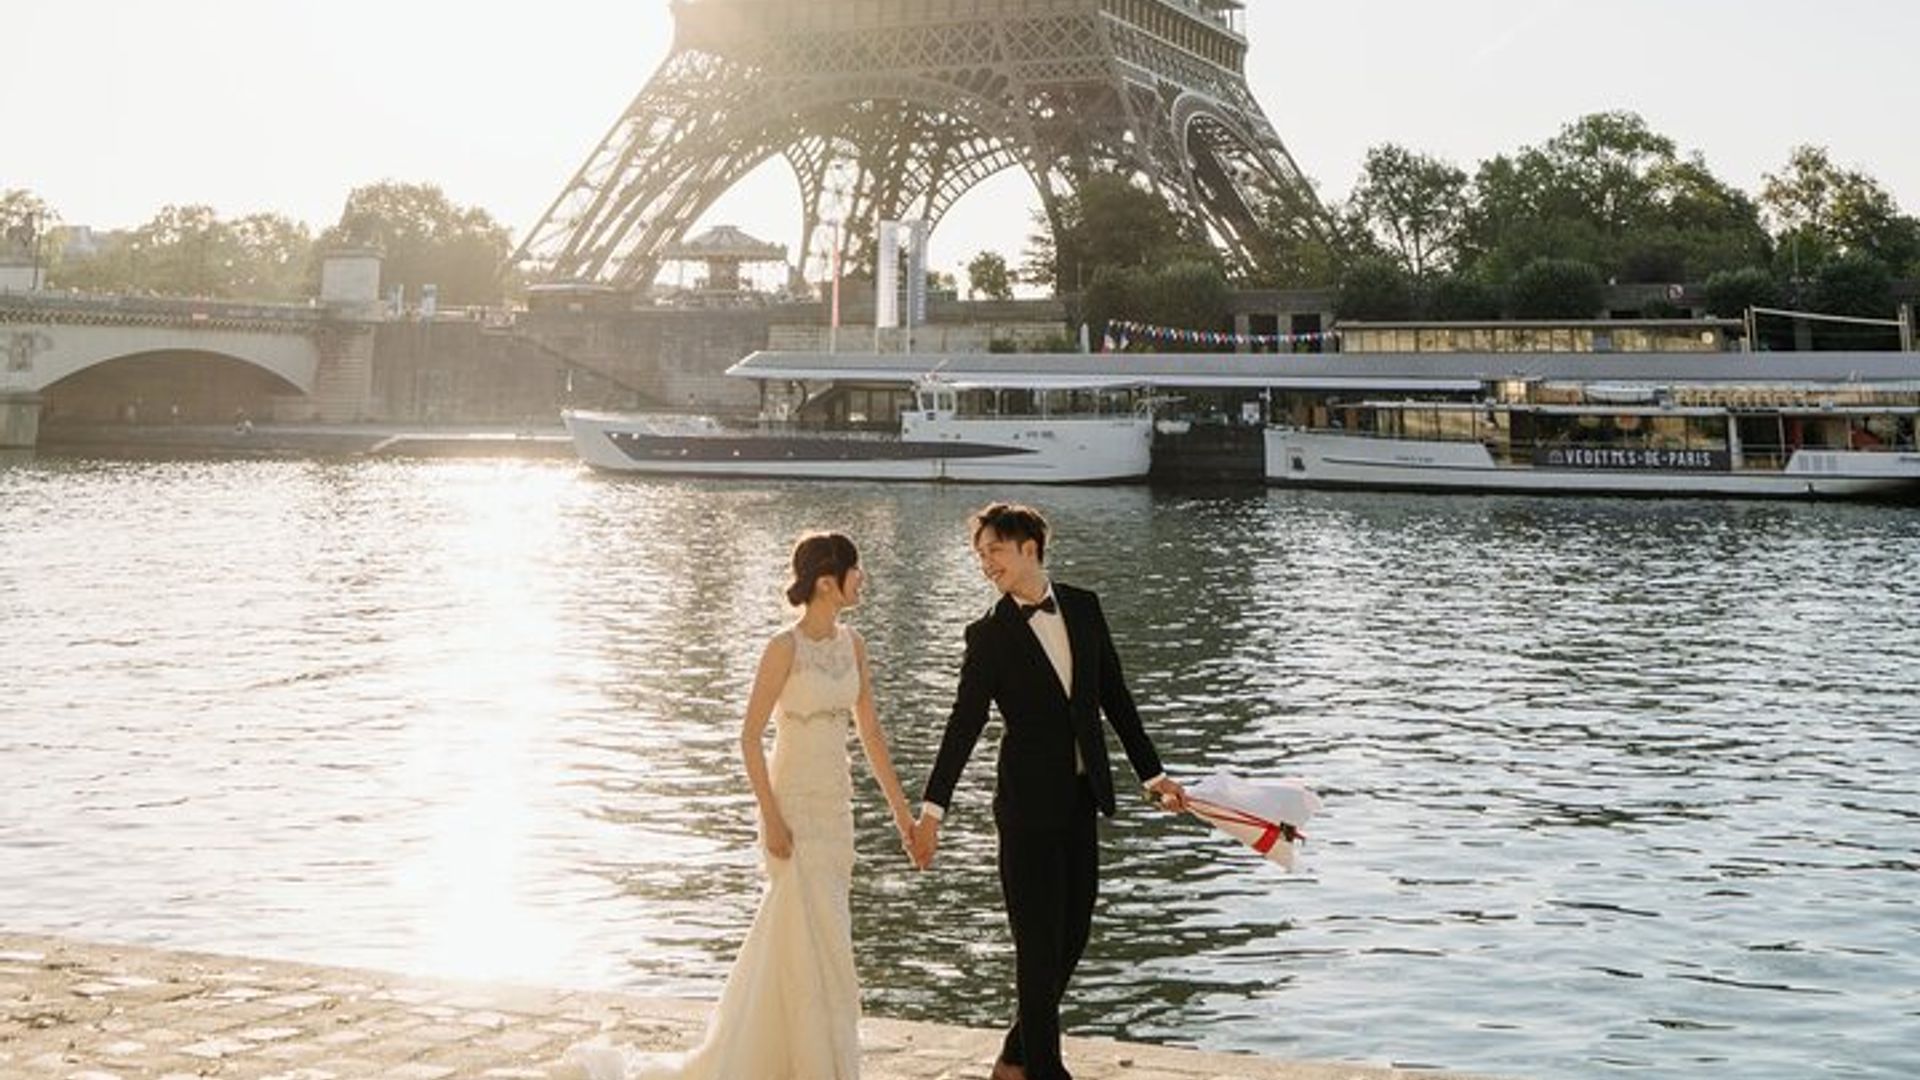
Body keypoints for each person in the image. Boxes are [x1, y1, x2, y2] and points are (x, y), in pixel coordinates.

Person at [569, 532, 917, 1080]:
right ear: (828, 581)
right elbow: (750, 735)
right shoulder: (784, 647)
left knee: (827, 937)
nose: (863, 578)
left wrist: (904, 817)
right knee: (796, 933)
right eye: (856, 569)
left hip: (835, 809)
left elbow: (870, 732)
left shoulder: (854, 644)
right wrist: (771, 818)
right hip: (794, 809)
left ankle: (817, 1059)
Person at [910, 503, 1188, 1080]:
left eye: (996, 551)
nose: (986, 563)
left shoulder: (1083, 608)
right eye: (980, 554)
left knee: (1074, 933)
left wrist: (1153, 775)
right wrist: (933, 811)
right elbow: (963, 724)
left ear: (1030, 547)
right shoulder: (987, 636)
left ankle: (1015, 1053)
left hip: (1081, 800)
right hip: (1024, 810)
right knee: (1036, 946)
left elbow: (1116, 698)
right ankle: (1045, 1069)